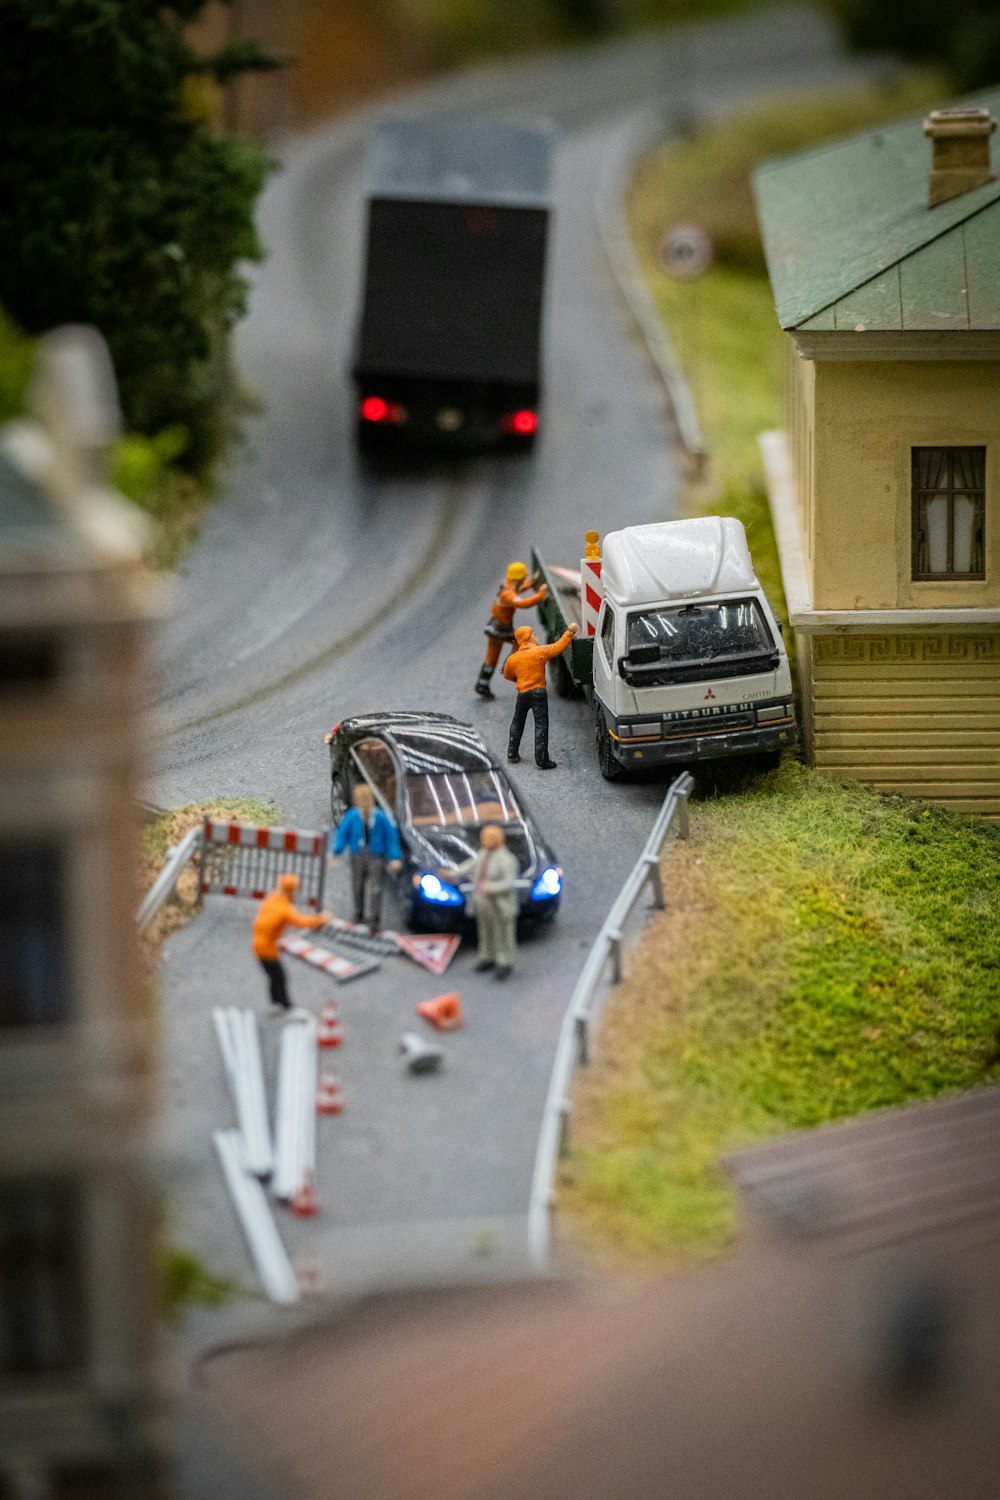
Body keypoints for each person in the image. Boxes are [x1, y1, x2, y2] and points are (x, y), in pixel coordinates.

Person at [439, 824, 520, 981]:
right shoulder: (483, 854)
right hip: (483, 903)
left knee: (502, 934)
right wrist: (450, 874)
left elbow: (509, 883)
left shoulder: (506, 859)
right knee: (485, 931)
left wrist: (490, 887)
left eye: (487, 838)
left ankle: (505, 962)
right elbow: (468, 866)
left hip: (500, 904)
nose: (484, 841)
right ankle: (487, 957)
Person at [502, 621, 578, 769]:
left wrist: (520, 680)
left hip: (522, 694)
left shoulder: (513, 659)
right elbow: (559, 646)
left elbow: (507, 675)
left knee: (517, 722)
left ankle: (512, 752)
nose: (536, 637)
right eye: (533, 635)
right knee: (541, 725)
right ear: (528, 638)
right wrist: (570, 631)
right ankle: (542, 759)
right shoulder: (539, 652)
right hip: (539, 693)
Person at [252, 873, 331, 1012]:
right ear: (290, 891)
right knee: (280, 976)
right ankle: (285, 1005)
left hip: (258, 944)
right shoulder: (285, 909)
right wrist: (321, 919)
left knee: (274, 976)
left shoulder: (272, 898)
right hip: (267, 949)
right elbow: (301, 921)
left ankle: (276, 1000)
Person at [330, 783, 402, 933]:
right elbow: (342, 835)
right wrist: (335, 851)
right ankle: (358, 914)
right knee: (357, 886)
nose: (364, 804)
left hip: (376, 856)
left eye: (366, 800)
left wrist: (394, 857)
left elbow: (391, 838)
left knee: (376, 887)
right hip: (357, 855)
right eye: (360, 800)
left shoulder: (381, 817)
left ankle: (375, 918)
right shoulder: (352, 816)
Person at [474, 562, 548, 699]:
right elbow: (522, 603)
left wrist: (530, 583)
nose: (523, 581)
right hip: (501, 628)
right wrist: (540, 595)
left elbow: (518, 590)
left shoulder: (507, 586)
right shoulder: (507, 594)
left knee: (491, 658)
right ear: (518, 579)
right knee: (518, 644)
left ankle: (482, 684)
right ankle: (509, 667)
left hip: (495, 627)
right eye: (523, 578)